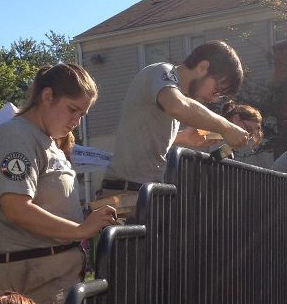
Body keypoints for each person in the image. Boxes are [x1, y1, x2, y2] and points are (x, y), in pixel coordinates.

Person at [0, 63, 117, 304]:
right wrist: (81, 230)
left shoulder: (48, 142)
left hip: (51, 278)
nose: (76, 121)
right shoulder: (15, 136)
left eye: (82, 114)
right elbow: (16, 208)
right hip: (33, 280)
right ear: (47, 96)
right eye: (72, 109)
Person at [101, 40, 249, 198]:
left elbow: (141, 138)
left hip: (143, 192)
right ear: (203, 67)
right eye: (216, 91)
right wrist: (226, 128)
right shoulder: (161, 71)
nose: (213, 100)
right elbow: (178, 106)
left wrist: (183, 138)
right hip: (124, 192)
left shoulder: (173, 92)